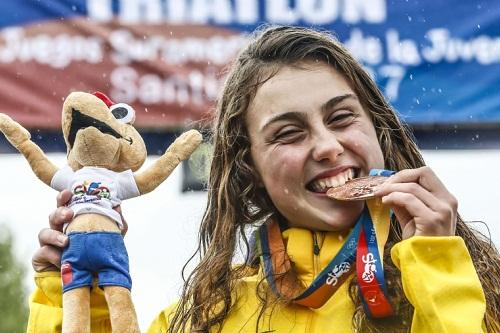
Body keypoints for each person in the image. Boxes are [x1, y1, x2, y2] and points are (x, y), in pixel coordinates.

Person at [28, 26, 499, 332]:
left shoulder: (466, 281)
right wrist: (70, 291)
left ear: (376, 127)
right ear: (249, 168)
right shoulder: (203, 317)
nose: (328, 146)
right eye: (289, 134)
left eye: (341, 118)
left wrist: (436, 262)